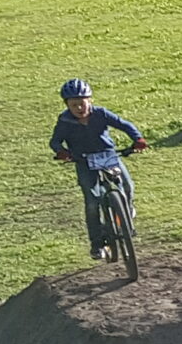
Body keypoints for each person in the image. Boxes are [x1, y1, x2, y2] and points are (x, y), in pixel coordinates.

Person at [48, 79, 147, 263]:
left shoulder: (101, 114)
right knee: (92, 201)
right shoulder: (64, 121)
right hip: (83, 160)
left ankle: (127, 210)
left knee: (127, 185)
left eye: (82, 103)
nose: (79, 108)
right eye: (73, 105)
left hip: (108, 155)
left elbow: (124, 124)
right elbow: (55, 141)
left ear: (90, 100)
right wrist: (61, 152)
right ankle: (97, 244)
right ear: (67, 105)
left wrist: (137, 139)